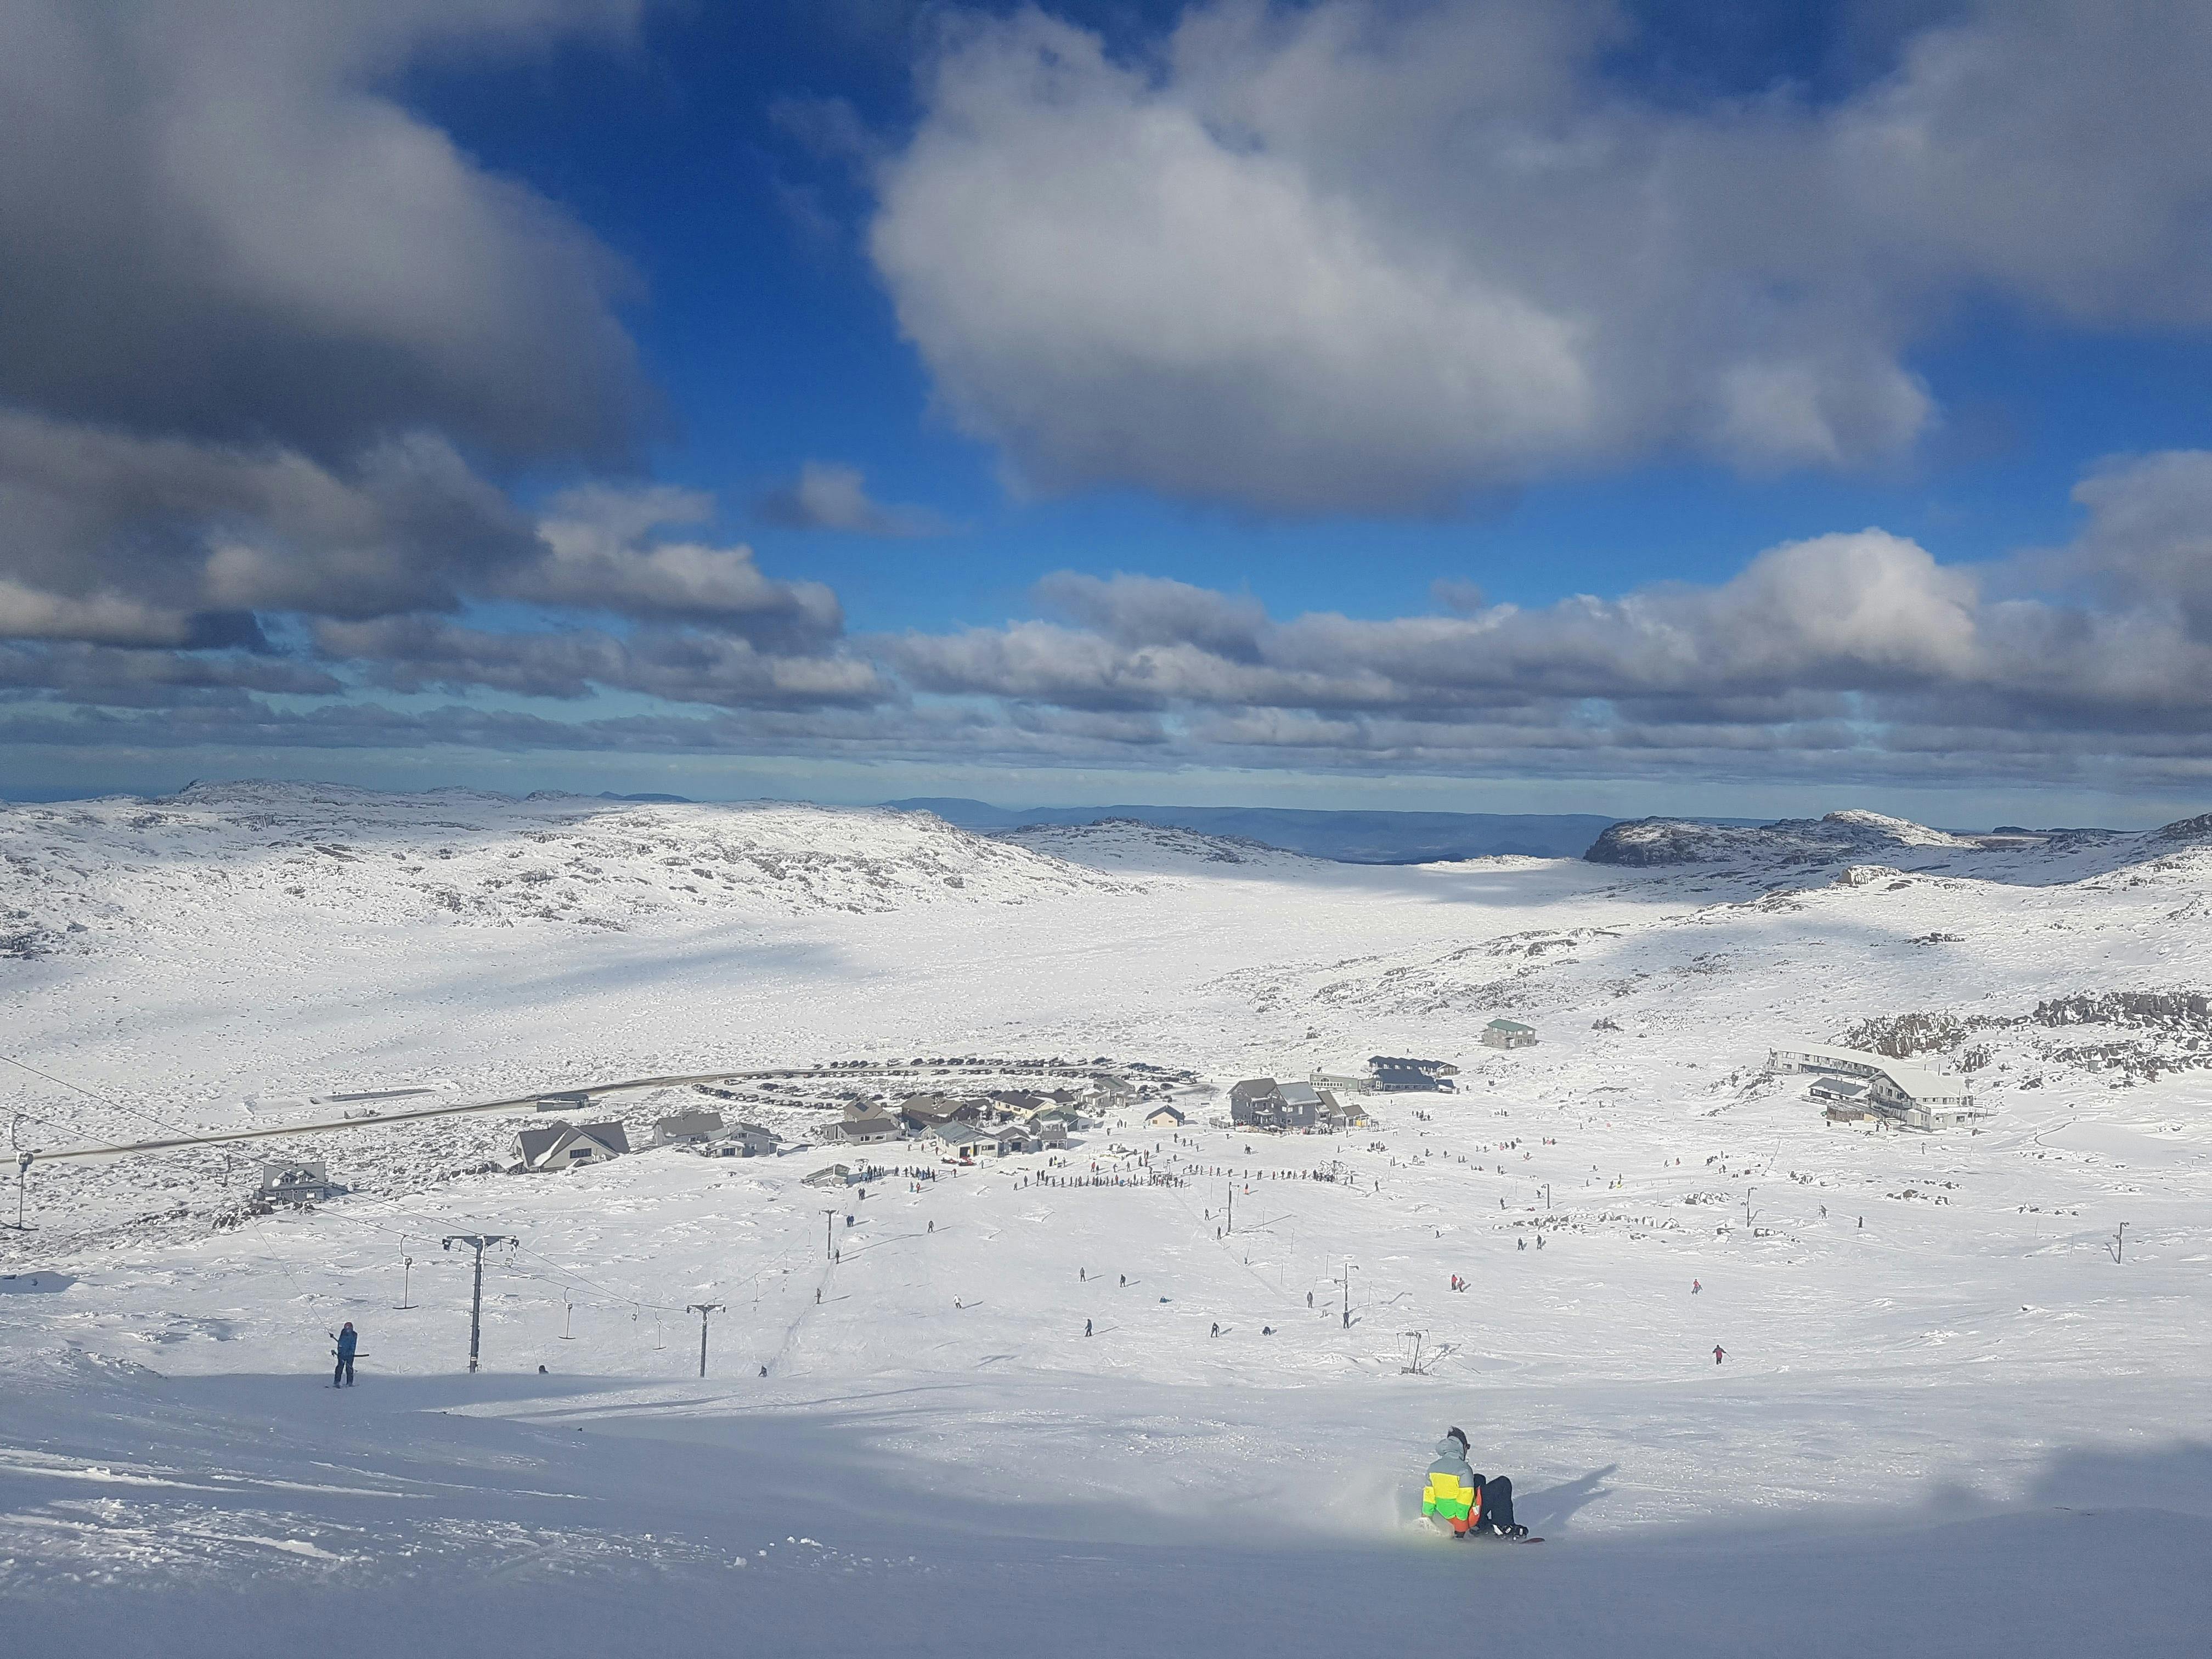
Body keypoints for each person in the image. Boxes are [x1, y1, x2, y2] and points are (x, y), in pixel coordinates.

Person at [1421, 1427, 1525, 1539]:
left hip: (1447, 1518)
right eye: (1467, 1447)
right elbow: (1464, 1500)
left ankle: (1481, 1526)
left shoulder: (1433, 1468)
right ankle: (1503, 1527)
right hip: (1463, 1520)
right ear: (1462, 1447)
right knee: (1503, 1484)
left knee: (1479, 1479)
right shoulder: (1463, 1469)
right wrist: (1461, 1529)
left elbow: (1429, 1497)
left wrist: (1426, 1519)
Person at [332, 1321, 357, 1387]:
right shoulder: (343, 1333)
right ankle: (337, 1382)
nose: (347, 1330)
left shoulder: (354, 1335)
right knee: (339, 1368)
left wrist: (350, 1353)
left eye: (349, 1329)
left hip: (350, 1356)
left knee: (349, 1369)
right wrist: (340, 1352)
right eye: (346, 1328)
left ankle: (350, 1382)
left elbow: (353, 1346)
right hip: (341, 1355)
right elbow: (340, 1343)